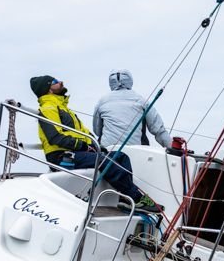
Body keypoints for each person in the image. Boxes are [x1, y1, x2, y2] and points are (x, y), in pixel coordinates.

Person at [29, 75, 161, 213]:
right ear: (48, 88)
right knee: (106, 162)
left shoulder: (62, 107)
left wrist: (96, 145)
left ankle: (125, 199)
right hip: (61, 157)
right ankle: (137, 198)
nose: (60, 82)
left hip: (76, 152)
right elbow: (55, 137)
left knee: (121, 157)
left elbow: (83, 132)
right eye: (55, 82)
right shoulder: (48, 108)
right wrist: (83, 146)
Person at [93, 69, 172, 149]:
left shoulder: (101, 102)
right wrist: (172, 148)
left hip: (108, 151)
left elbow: (97, 131)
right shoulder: (142, 101)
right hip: (137, 151)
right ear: (130, 81)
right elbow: (159, 130)